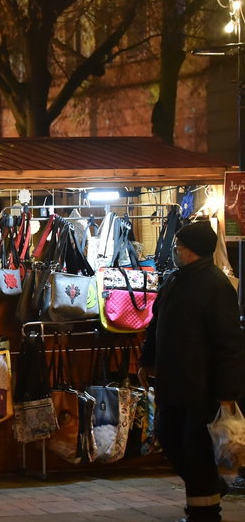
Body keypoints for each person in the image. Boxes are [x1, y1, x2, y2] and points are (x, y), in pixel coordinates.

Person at [139, 221, 245, 522]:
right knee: (168, 437)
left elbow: (228, 342)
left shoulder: (216, 285)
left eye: (179, 246)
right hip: (173, 382)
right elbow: (157, 324)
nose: (175, 251)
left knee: (195, 448)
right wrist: (148, 361)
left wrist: (227, 393)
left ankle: (204, 512)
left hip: (203, 387)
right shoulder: (174, 280)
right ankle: (211, 489)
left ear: (192, 250)